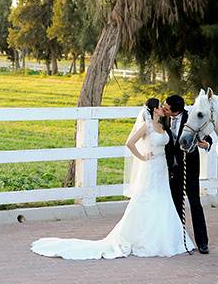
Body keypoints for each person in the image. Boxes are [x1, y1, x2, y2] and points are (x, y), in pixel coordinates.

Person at [30, 98, 195, 259]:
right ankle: (143, 238)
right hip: (151, 167)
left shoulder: (163, 126)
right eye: (159, 106)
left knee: (163, 199)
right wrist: (142, 157)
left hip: (162, 168)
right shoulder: (147, 126)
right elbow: (129, 143)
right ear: (153, 110)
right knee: (148, 199)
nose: (162, 109)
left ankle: (168, 239)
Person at [162, 94, 212, 254]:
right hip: (172, 168)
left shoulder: (191, 118)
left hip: (189, 167)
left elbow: (207, 137)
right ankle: (178, 239)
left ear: (175, 111)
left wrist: (206, 144)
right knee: (175, 203)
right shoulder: (164, 119)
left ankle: (202, 242)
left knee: (195, 202)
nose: (164, 108)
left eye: (167, 107)